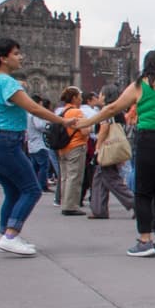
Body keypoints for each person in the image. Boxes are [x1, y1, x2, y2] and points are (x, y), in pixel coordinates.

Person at [77, 48, 155, 257]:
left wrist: (88, 121)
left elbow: (112, 108)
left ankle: (144, 240)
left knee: (144, 193)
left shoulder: (142, 84)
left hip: (152, 141)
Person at [0, 37, 78, 256]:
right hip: (6, 142)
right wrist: (62, 120)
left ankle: (7, 233)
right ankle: (11, 235)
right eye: (15, 53)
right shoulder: (7, 83)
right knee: (32, 189)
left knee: (12, 190)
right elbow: (34, 108)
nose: (20, 57)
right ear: (3, 58)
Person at [87, 84, 136, 219]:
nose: (99, 97)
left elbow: (104, 128)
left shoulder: (108, 111)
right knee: (100, 177)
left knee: (111, 178)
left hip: (107, 148)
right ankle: (98, 208)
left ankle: (136, 204)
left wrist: (98, 147)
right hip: (115, 146)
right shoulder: (119, 112)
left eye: (101, 94)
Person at [56, 87, 90, 215]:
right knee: (74, 176)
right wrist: (90, 127)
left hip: (62, 147)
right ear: (74, 98)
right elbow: (85, 131)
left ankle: (64, 202)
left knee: (65, 177)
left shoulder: (62, 111)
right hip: (76, 146)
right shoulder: (77, 112)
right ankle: (71, 206)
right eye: (80, 97)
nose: (81, 99)